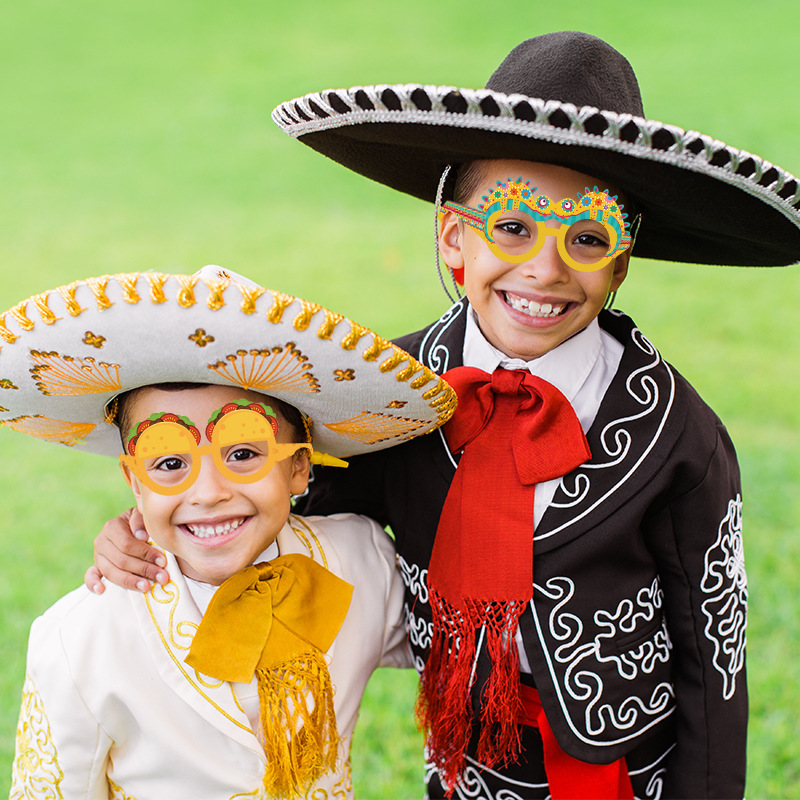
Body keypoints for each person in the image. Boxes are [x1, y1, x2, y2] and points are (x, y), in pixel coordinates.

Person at [88, 32, 800, 799]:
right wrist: (145, 536)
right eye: (513, 226)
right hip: (466, 767)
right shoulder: (386, 392)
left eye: (588, 237)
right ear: (454, 237)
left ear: (620, 262)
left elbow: (712, 647)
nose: (545, 268)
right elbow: (276, 510)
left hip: (625, 772)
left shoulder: (675, 432)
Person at [2, 267, 456, 799]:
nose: (209, 491)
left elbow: (455, 647)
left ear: (300, 467)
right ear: (134, 482)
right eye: (169, 462)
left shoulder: (362, 560)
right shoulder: (79, 638)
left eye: (242, 453)